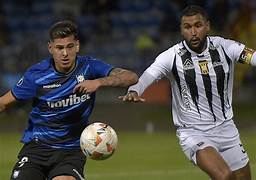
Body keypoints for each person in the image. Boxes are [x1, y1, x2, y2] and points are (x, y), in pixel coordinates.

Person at [120, 5, 255, 180]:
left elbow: (252, 56)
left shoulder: (225, 47)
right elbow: (148, 75)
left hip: (227, 129)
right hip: (194, 132)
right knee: (224, 176)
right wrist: (134, 90)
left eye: (198, 25)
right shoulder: (172, 56)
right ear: (181, 30)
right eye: (187, 27)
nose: (193, 32)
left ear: (207, 25)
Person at [0, 20, 138, 180]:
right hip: (37, 147)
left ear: (77, 46)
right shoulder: (36, 75)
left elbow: (131, 77)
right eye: (59, 48)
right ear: (50, 48)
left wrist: (99, 82)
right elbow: (3, 103)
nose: (65, 53)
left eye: (69, 47)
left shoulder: (89, 67)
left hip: (71, 151)